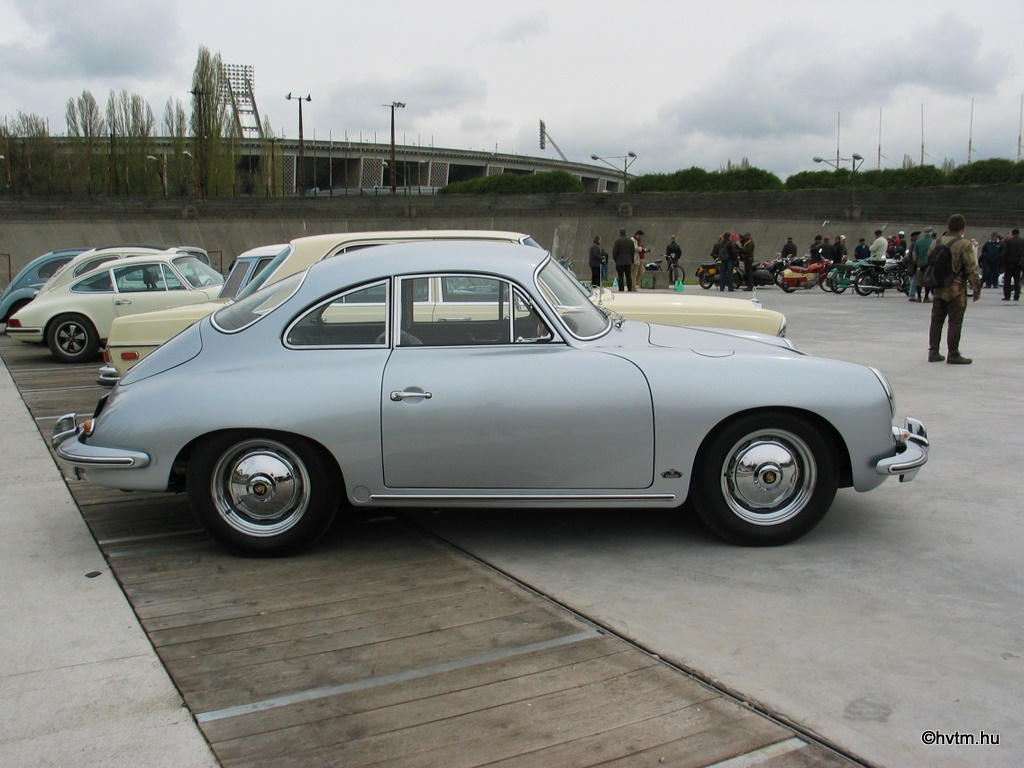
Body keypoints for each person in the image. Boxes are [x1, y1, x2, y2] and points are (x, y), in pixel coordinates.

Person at [928, 213, 981, 364]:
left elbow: (929, 263)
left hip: (938, 288)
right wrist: (976, 289)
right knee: (955, 321)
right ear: (964, 229)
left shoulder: (936, 242)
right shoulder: (964, 244)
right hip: (956, 289)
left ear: (948, 227)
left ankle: (933, 352)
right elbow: (972, 268)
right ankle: (953, 353)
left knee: (936, 320)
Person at [1001, 228, 1023, 301]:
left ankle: (1007, 295)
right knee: (1017, 280)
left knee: (1007, 280)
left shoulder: (1009, 241)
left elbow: (1005, 253)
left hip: (1009, 263)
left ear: (1012, 234)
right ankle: (1016, 295)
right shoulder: (1022, 241)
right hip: (1018, 263)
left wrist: (1003, 262)